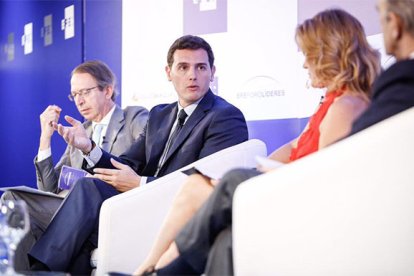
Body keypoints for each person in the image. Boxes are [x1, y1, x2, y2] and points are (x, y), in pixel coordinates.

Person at [144, 9, 385, 275]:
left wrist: (270, 175)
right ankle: (153, 268)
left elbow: (323, 183)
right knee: (219, 226)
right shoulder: (334, 101)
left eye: (307, 55)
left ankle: (156, 269)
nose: (305, 65)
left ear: (328, 54)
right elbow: (296, 147)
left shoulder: (346, 106)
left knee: (213, 184)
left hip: (298, 204)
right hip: (285, 192)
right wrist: (264, 168)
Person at [28, 35, 249, 274]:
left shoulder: (225, 117)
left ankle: (39, 269)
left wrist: (141, 184)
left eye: (201, 67)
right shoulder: (159, 115)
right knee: (88, 200)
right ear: (169, 72)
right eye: (183, 67)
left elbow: (207, 186)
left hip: (175, 211)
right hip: (138, 206)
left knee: (88, 193)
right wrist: (88, 148)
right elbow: (126, 163)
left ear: (212, 71)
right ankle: (44, 270)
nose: (192, 75)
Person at [1, 60, 149, 271]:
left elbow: (144, 162)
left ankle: (40, 270)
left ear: (107, 90)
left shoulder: (134, 118)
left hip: (113, 206)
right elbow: (49, 189)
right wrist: (45, 137)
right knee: (13, 199)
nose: (79, 101)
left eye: (85, 92)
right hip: (72, 210)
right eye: (75, 95)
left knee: (85, 189)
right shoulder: (81, 130)